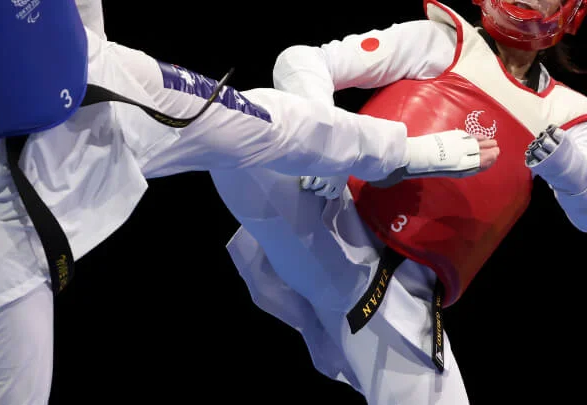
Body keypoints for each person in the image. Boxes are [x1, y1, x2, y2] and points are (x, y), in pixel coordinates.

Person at [0, 0, 498, 404]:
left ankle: (397, 150)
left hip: (104, 87)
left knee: (268, 121)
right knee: (14, 394)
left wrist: (89, 54)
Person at [209, 0, 587, 403]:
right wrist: (328, 143)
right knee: (243, 116)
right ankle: (142, 100)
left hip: (405, 303)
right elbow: (302, 61)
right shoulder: (441, 42)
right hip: (328, 221)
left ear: (570, 10)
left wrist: (566, 165)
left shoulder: (566, 113)